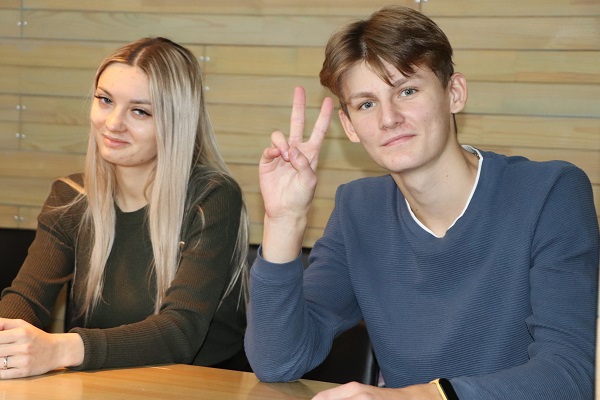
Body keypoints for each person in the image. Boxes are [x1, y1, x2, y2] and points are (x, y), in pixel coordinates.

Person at [245, 5, 599, 399]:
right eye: (366, 104)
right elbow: (279, 362)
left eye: (407, 91)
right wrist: (284, 221)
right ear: (350, 127)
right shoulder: (357, 209)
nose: (389, 118)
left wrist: (420, 396)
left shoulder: (550, 193)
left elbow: (570, 374)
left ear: (454, 93)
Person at [0, 37, 250, 379]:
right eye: (105, 100)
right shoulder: (70, 197)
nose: (113, 123)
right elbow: (26, 300)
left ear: (176, 122)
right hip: (99, 385)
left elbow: (180, 332)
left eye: (139, 111)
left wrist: (59, 349)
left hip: (199, 387)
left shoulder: (213, 197)